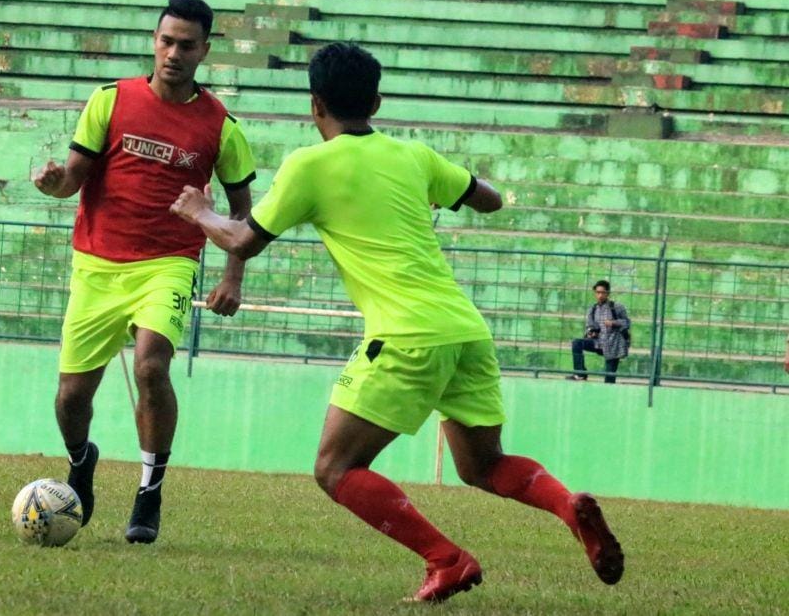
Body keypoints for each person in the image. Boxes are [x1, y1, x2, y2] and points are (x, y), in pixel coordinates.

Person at [169, 42, 623, 602]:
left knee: (336, 468)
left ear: (315, 106)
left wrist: (199, 211)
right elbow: (490, 200)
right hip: (464, 329)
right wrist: (438, 190)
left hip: (407, 335)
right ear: (376, 102)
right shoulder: (413, 155)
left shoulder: (310, 164)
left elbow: (242, 238)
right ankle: (566, 505)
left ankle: (447, 559)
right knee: (485, 465)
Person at [33, 0, 256, 544]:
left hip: (169, 265)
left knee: (151, 367)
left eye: (186, 44)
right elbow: (74, 181)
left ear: (205, 50)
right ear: (154, 42)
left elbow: (244, 212)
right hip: (97, 264)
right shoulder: (111, 101)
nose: (173, 53)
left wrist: (232, 276)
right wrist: (54, 182)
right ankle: (82, 462)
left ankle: (149, 492)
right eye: (166, 41)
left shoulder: (221, 126)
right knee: (70, 399)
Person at [569, 280, 631, 383]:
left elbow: (627, 323)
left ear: (608, 293)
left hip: (613, 345)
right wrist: (591, 332)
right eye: (598, 292)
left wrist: (613, 322)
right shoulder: (593, 309)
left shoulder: (617, 307)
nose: (600, 295)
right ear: (595, 293)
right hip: (598, 343)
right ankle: (580, 374)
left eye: (603, 292)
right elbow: (590, 325)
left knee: (609, 379)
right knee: (577, 343)